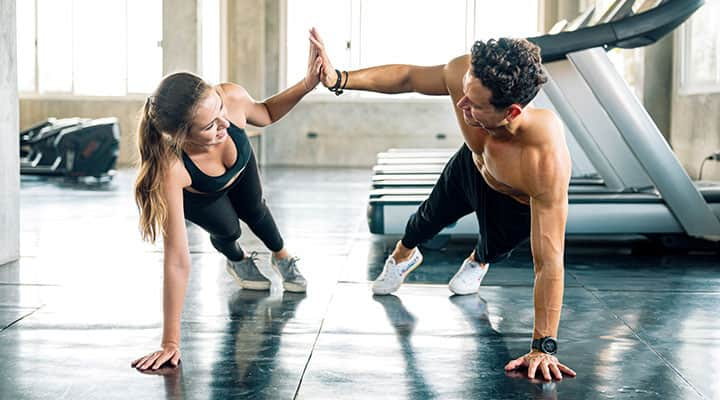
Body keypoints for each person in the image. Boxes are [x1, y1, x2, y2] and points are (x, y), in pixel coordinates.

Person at [309, 28, 576, 381]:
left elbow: (549, 261)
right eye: (464, 93)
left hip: (513, 200)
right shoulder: (465, 72)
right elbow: (408, 78)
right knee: (424, 220)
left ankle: (478, 260)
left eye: (475, 104)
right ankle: (405, 255)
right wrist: (338, 78)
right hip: (472, 164)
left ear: (511, 111)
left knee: (494, 248)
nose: (461, 105)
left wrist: (544, 346)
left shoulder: (543, 159)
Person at [130, 42, 324, 371]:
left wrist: (308, 83)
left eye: (220, 109)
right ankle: (237, 260)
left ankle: (283, 257)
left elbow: (266, 113)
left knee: (256, 211)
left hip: (239, 167)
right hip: (202, 195)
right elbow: (177, 258)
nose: (224, 124)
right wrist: (170, 342)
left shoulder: (230, 99)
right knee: (229, 229)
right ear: (179, 136)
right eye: (209, 126)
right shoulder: (171, 169)